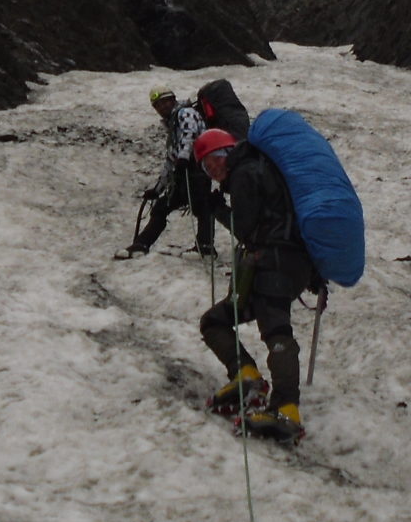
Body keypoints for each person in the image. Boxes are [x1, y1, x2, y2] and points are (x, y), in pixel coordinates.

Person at [193, 126, 319, 442]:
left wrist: (217, 209)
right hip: (282, 264)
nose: (212, 171)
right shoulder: (256, 169)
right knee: (216, 320)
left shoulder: (245, 173)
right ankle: (246, 376)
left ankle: (286, 408)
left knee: (275, 329)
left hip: (275, 263)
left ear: (224, 154)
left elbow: (246, 228)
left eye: (212, 163)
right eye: (207, 169)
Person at [113, 87, 217, 260]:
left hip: (196, 170)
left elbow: (189, 135)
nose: (161, 107)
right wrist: (158, 188)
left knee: (201, 206)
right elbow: (171, 159)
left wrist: (183, 159)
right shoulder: (173, 123)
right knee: (165, 206)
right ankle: (142, 245)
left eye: (163, 102)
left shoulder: (186, 114)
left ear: (173, 100)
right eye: (157, 105)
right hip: (187, 172)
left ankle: (205, 248)